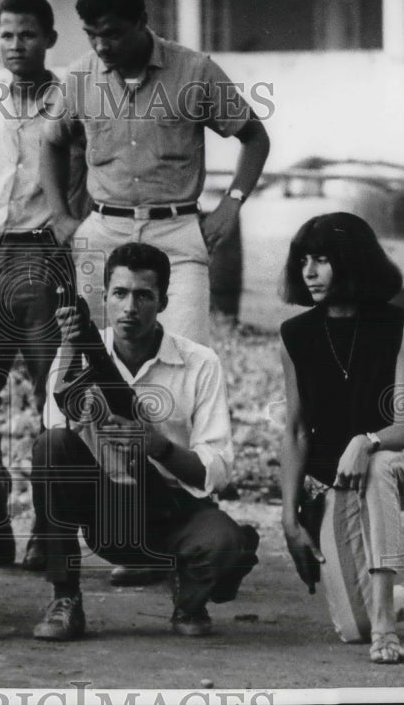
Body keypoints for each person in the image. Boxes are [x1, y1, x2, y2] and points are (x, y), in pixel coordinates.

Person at [29, 242, 259, 641]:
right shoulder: (83, 348)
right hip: (107, 512)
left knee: (225, 544)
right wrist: (71, 345)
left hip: (175, 511)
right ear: (106, 297)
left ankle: (190, 597)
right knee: (50, 447)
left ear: (164, 301)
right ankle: (65, 596)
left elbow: (218, 468)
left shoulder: (200, 363)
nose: (129, 307)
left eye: (143, 295)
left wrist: (159, 447)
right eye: (119, 294)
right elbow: (54, 429)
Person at [39, 0, 270, 346]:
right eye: (90, 34)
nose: (100, 46)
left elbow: (255, 137)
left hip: (176, 236)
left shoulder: (196, 71)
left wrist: (231, 205)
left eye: (111, 33)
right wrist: (61, 216)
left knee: (184, 357)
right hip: (102, 236)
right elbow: (51, 143)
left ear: (142, 22)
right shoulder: (81, 76)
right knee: (97, 358)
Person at [278, 213, 404, 664]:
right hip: (339, 485)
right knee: (350, 630)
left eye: (323, 260)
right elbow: (297, 429)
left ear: (352, 261)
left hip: (403, 465)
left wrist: (365, 440)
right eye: (304, 260)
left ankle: (385, 621)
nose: (310, 272)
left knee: (377, 465)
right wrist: (288, 516)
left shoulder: (403, 326)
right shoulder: (295, 335)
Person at [0, 0, 86, 569]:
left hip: (44, 261)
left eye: (27, 34)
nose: (15, 45)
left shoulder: (73, 103)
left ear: (49, 39)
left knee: (52, 403)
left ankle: (49, 535)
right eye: (6, 35)